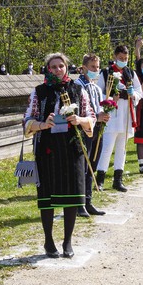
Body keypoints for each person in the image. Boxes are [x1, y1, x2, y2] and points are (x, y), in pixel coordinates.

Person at [24, 53, 94, 257]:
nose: (57, 70)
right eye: (53, 67)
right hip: (47, 149)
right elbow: (27, 120)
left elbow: (90, 116)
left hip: (72, 148)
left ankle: (68, 241)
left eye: (60, 66)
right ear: (47, 69)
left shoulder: (77, 89)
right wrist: (43, 124)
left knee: (72, 196)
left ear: (66, 67)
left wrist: (78, 120)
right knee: (47, 196)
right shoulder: (39, 92)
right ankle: (48, 241)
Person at [95, 44, 136, 192]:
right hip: (111, 114)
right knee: (107, 148)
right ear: (115, 57)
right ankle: (100, 179)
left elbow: (139, 91)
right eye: (120, 58)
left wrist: (133, 94)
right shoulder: (106, 72)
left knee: (122, 148)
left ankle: (118, 180)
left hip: (126, 114)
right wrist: (111, 98)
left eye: (125, 58)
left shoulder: (130, 73)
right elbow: (99, 92)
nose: (123, 61)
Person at [75, 53, 109, 218]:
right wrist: (97, 114)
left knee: (92, 164)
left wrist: (104, 113)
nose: (96, 70)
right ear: (84, 68)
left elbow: (98, 105)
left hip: (97, 129)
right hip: (84, 128)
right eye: (92, 67)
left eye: (97, 67)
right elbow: (80, 109)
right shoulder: (77, 86)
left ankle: (88, 201)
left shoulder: (95, 87)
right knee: (83, 164)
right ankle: (79, 202)